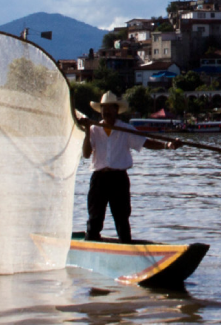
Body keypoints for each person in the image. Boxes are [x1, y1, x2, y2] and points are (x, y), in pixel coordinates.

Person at [77, 91, 181, 243]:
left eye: (109, 108)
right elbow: (86, 154)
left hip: (118, 178)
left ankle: (126, 245)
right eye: (103, 109)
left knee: (122, 217)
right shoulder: (94, 129)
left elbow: (146, 143)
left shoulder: (125, 129)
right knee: (95, 217)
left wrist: (168, 145)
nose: (106, 112)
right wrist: (87, 130)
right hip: (99, 178)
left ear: (116, 110)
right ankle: (91, 243)